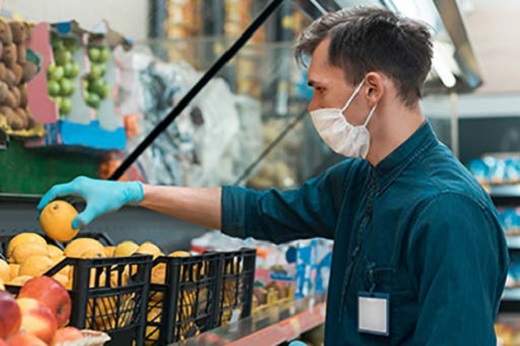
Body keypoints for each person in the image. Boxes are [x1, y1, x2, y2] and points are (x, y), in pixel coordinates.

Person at [37, 7, 508, 345]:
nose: (311, 106)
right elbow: (259, 212)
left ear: (371, 89)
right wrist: (134, 191)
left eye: (320, 89)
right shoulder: (360, 180)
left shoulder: (448, 212)